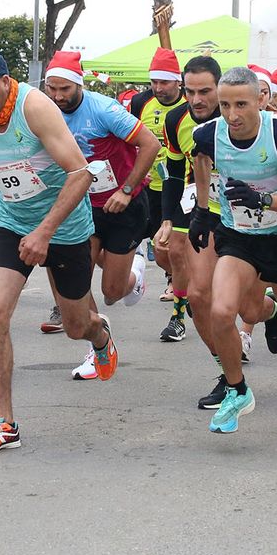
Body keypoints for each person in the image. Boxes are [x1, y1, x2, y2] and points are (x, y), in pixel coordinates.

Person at [0, 48, 117, 453]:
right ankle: (4, 423)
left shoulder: (35, 108)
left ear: (3, 81)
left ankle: (100, 336)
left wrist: (46, 232)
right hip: (12, 223)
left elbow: (82, 173)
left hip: (65, 227)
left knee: (75, 325)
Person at [189, 66, 277, 433]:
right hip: (239, 236)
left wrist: (264, 199)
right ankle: (237, 390)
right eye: (225, 105)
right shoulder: (208, 134)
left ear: (262, 99)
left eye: (242, 104)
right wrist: (201, 210)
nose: (233, 115)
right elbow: (198, 158)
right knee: (221, 312)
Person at [42, 52, 161, 379]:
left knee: (112, 292)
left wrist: (126, 189)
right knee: (79, 280)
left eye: (64, 89)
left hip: (125, 206)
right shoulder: (47, 112)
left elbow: (150, 144)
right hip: (83, 209)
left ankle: (134, 275)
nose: (58, 96)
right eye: (52, 89)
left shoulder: (104, 109)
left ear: (79, 84)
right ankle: (97, 349)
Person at [159, 56, 255, 409]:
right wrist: (168, 219)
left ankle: (269, 315)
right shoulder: (176, 120)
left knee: (250, 306)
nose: (196, 100)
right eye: (189, 91)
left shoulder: (242, 115)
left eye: (205, 91)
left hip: (249, 216)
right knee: (199, 297)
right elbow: (172, 170)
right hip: (204, 211)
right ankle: (229, 377)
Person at [128, 47, 186, 343]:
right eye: (155, 82)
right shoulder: (140, 101)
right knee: (162, 253)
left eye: (165, 82)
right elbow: (129, 140)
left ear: (178, 82)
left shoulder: (192, 104)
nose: (159, 88)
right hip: (150, 187)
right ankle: (176, 277)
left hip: (184, 187)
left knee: (175, 250)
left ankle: (178, 315)